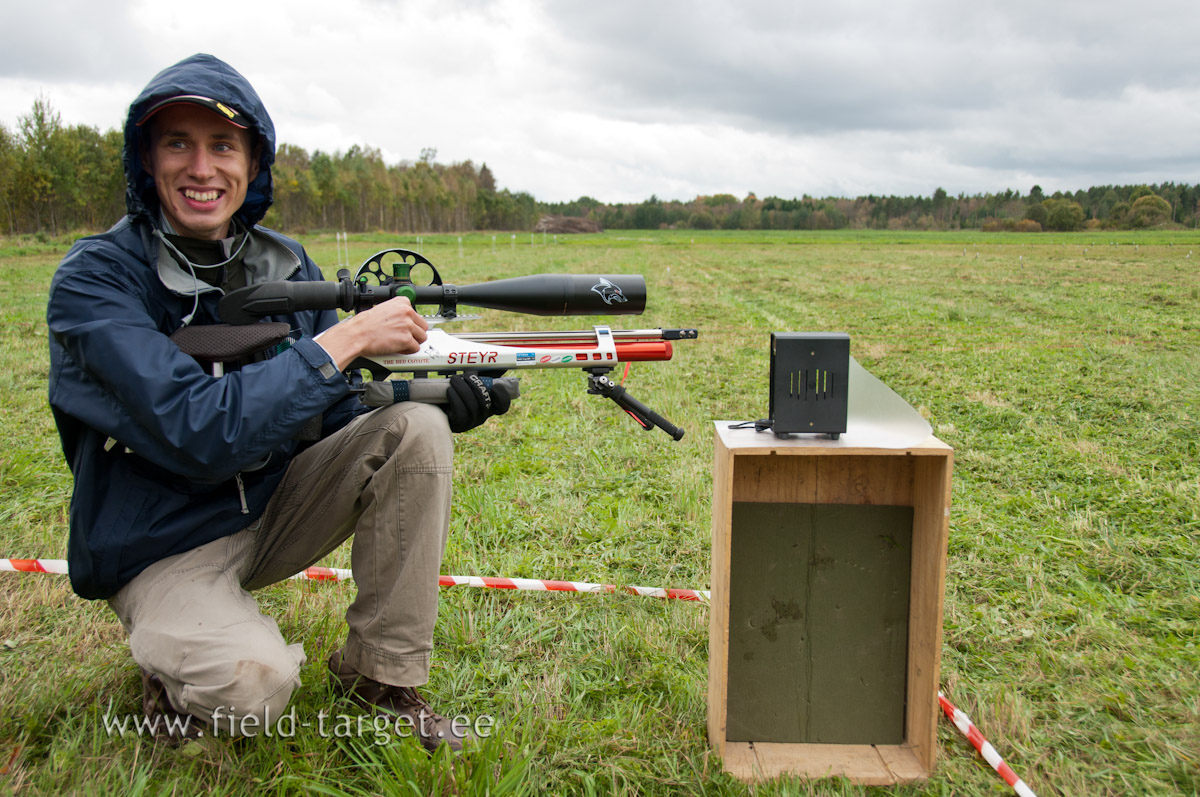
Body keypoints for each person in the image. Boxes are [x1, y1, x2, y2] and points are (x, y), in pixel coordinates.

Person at [46, 53, 506, 751]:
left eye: (223, 146)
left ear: (253, 162)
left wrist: (439, 398)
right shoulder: (95, 281)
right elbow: (197, 428)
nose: (202, 168)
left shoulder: (283, 261)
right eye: (178, 143)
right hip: (159, 544)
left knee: (414, 428)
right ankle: (170, 670)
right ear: (146, 158)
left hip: (268, 507)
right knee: (252, 692)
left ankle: (379, 678)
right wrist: (346, 338)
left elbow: (331, 407)